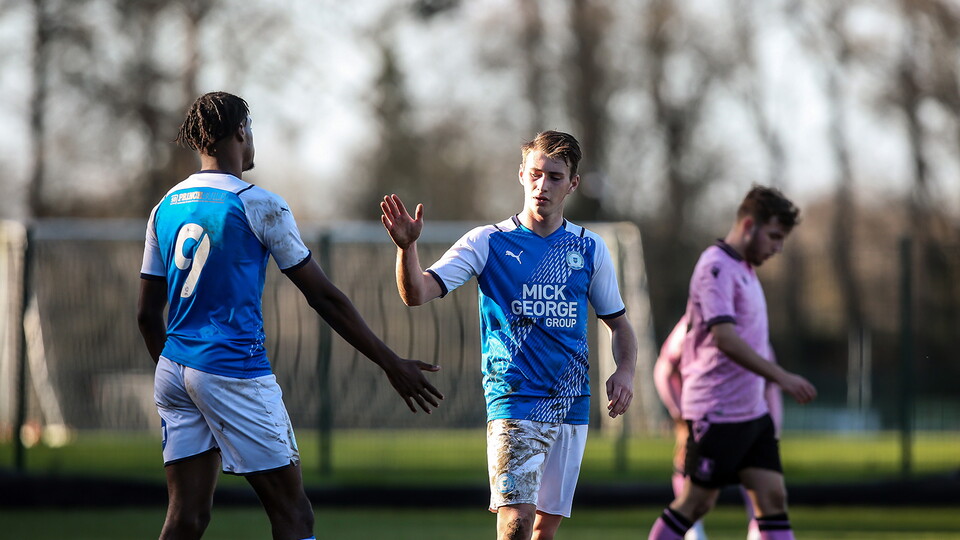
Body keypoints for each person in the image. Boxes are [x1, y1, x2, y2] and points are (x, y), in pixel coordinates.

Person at [137, 91, 444, 540]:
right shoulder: (259, 203)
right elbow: (324, 298)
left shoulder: (164, 207)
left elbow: (147, 315)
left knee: (186, 518)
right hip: (232, 368)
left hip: (173, 369)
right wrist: (390, 362)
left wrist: (180, 374)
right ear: (240, 131)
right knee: (294, 515)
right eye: (251, 128)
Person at [380, 130, 638, 540]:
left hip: (570, 403)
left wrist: (624, 371)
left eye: (555, 177)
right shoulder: (488, 242)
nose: (542, 185)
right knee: (516, 523)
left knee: (543, 531)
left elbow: (619, 324)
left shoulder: (590, 248)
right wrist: (406, 248)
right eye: (535, 174)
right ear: (521, 174)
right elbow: (417, 293)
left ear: (572, 184)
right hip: (514, 399)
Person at [647, 185, 817, 540]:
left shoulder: (744, 269)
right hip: (718, 413)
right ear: (749, 226)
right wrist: (781, 377)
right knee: (695, 504)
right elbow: (724, 339)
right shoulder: (715, 267)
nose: (778, 247)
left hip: (752, 414)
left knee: (772, 498)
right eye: (774, 236)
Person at [654, 315, 784, 540]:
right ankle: (693, 530)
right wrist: (681, 415)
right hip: (707, 418)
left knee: (763, 486)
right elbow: (664, 370)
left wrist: (773, 429)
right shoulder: (691, 327)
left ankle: (757, 528)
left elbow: (769, 385)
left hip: (746, 418)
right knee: (695, 492)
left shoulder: (753, 329)